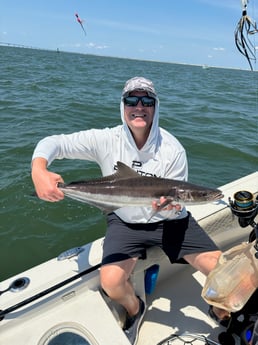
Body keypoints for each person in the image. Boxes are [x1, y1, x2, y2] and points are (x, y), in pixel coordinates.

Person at [31, 76, 230, 345]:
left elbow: (176, 207)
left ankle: (221, 311)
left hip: (171, 222)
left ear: (155, 106)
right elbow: (54, 143)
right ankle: (136, 310)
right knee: (111, 283)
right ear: (122, 105)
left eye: (147, 100)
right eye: (131, 100)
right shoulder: (105, 139)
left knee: (226, 273)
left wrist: (170, 209)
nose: (139, 106)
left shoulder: (173, 149)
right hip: (124, 222)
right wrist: (39, 169)